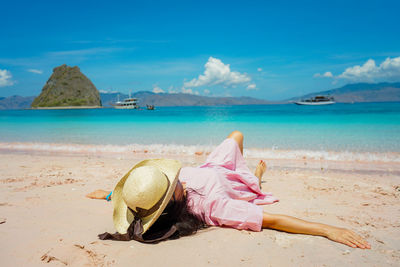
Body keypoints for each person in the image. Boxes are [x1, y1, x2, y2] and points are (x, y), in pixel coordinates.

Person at [87, 131, 371, 249]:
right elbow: (273, 221)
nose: (178, 180)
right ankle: (254, 176)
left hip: (211, 167)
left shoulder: (159, 189)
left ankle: (247, 169)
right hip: (229, 185)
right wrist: (326, 229)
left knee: (236, 135)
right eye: (175, 186)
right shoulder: (214, 208)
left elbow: (141, 195)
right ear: (173, 204)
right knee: (249, 184)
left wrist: (112, 195)